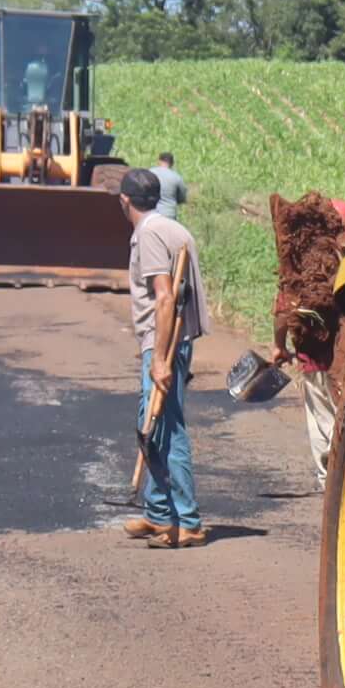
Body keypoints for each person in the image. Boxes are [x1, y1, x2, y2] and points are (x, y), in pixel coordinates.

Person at [121, 168, 210, 547]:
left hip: (165, 343)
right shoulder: (174, 228)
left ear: (124, 200)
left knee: (166, 427)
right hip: (172, 340)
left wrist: (158, 359)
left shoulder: (150, 234)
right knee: (152, 426)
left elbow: (165, 296)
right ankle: (159, 514)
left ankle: (187, 521)